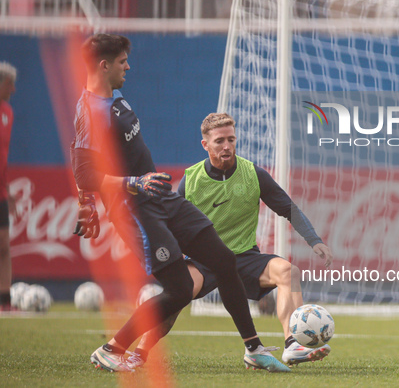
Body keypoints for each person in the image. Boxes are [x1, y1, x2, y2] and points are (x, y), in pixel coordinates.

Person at [72, 34, 290, 373]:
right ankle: (111, 348)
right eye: (121, 62)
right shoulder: (89, 110)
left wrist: (92, 200)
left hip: (161, 197)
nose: (128, 66)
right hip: (136, 210)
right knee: (180, 290)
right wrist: (130, 185)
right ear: (104, 65)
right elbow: (85, 171)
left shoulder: (115, 99)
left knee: (223, 259)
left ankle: (254, 349)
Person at [128, 112, 334, 368]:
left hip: (244, 256)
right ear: (206, 145)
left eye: (231, 139)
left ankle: (293, 344)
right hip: (202, 260)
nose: (227, 146)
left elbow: (288, 208)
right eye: (219, 141)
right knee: (177, 297)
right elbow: (169, 222)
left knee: (289, 273)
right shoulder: (190, 180)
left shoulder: (253, 174)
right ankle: (139, 354)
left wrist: (314, 240)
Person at [0, 62, 17, 312]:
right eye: (10, 84)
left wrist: (8, 189)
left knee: (4, 244)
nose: (14, 89)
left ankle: (5, 301)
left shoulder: (8, 112)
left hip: (1, 192)